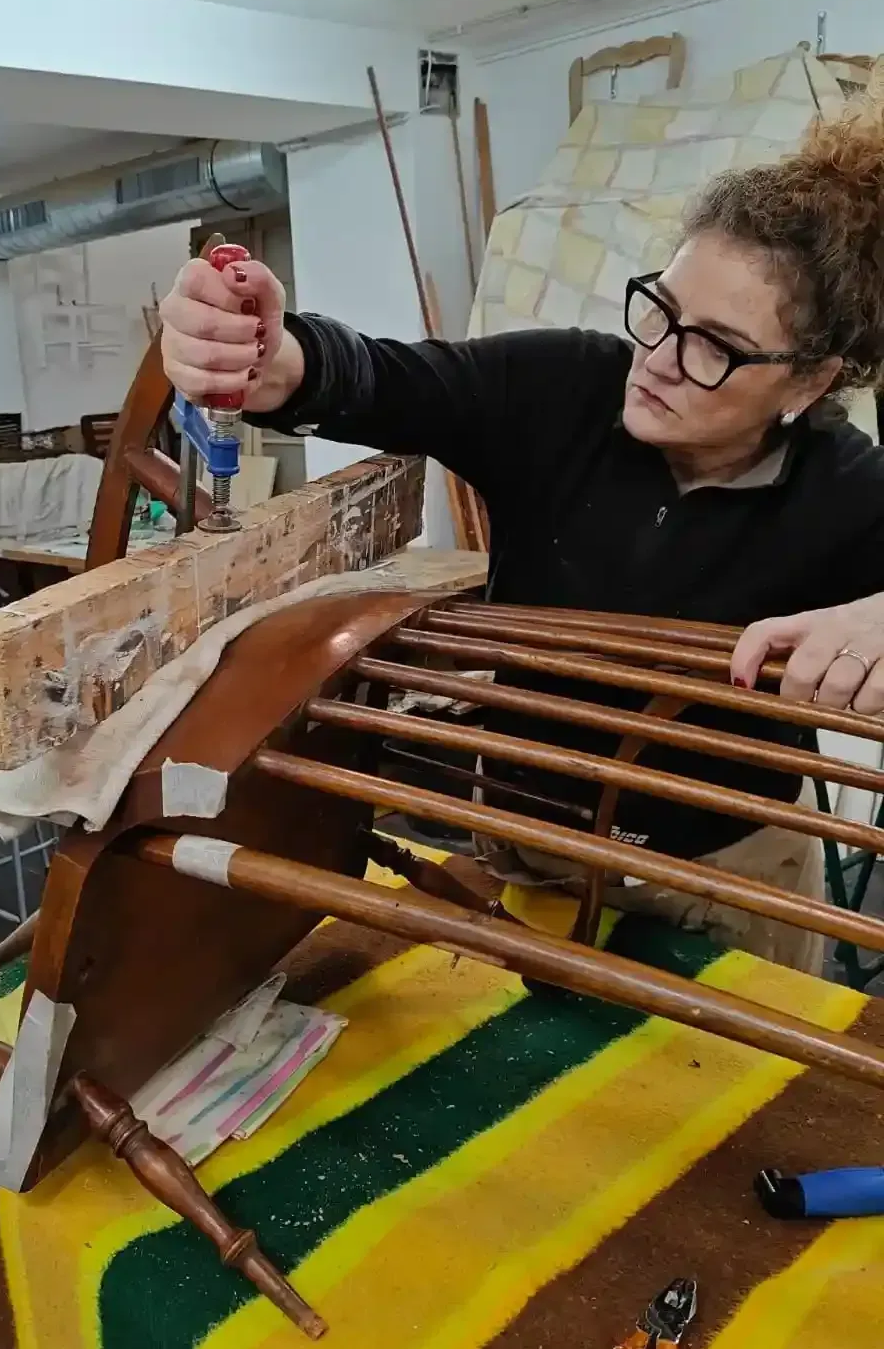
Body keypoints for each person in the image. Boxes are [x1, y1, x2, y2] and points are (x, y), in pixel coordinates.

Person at [158, 93, 884, 975]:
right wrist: (276, 360)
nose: (656, 358)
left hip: (720, 882)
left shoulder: (849, 490)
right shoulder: (564, 386)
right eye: (660, 308)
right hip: (519, 846)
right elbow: (387, 378)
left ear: (808, 381)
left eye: (715, 347)